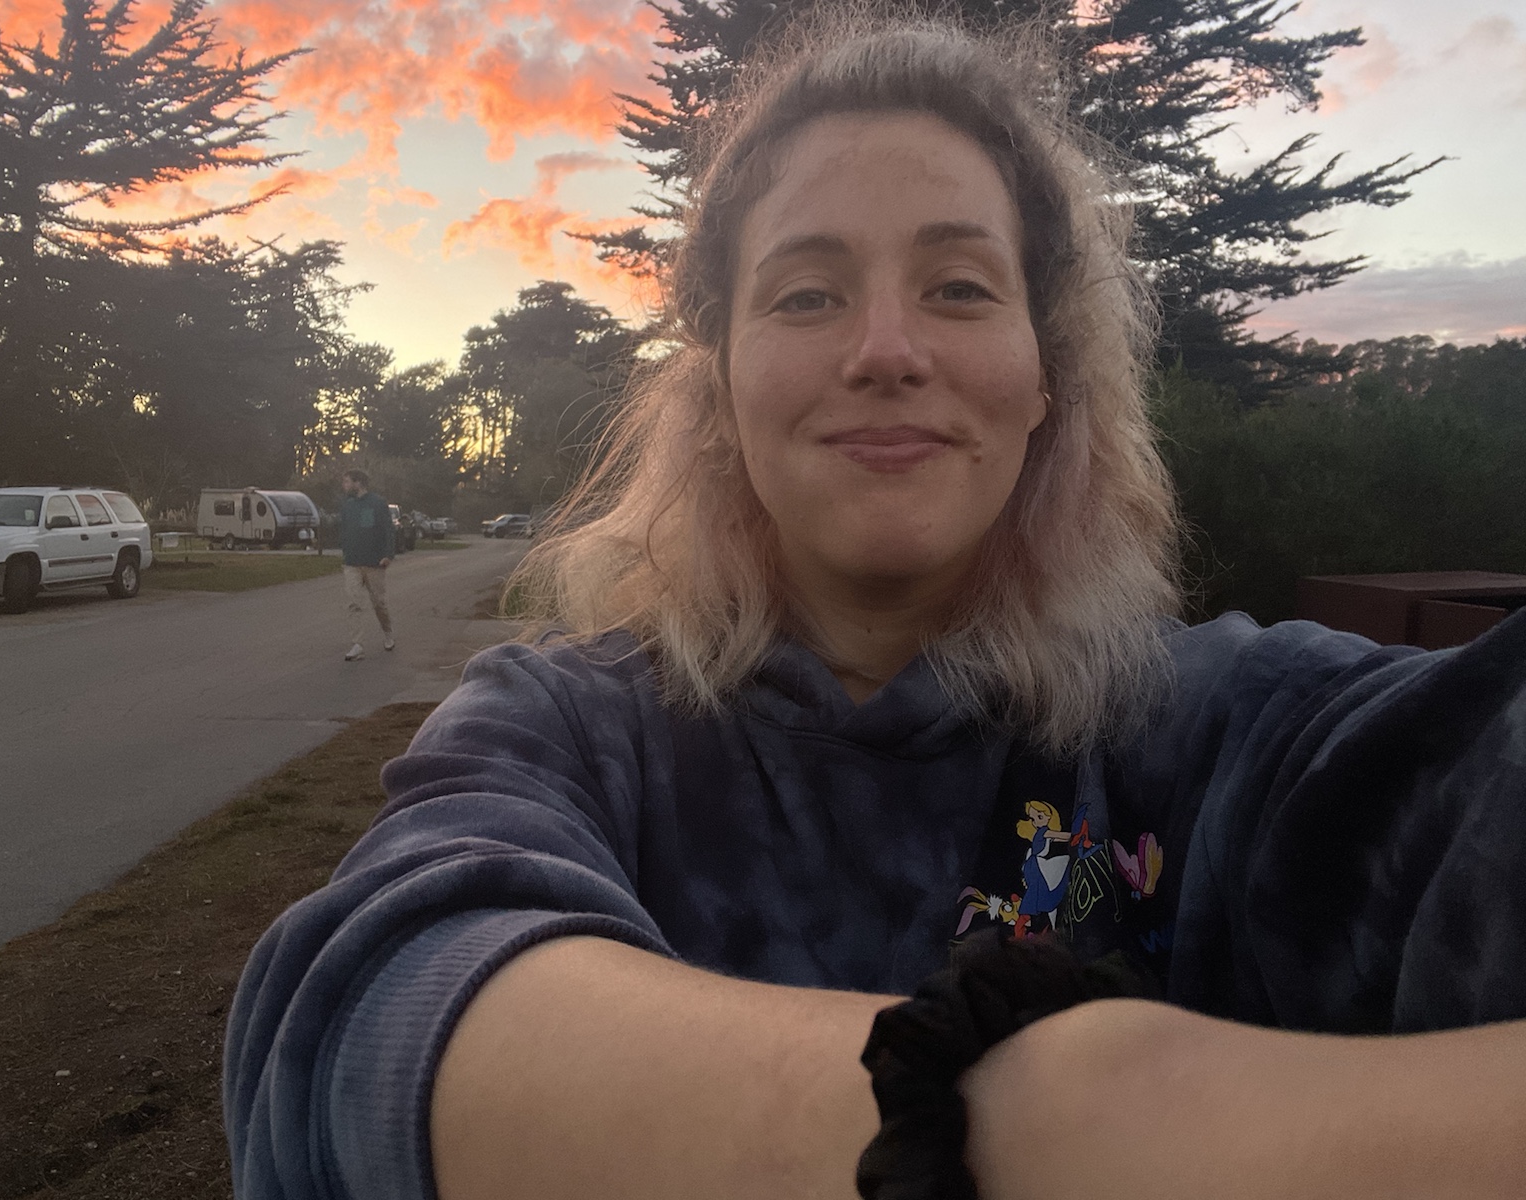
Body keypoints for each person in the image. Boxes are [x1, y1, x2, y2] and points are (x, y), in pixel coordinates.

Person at [225, 14, 1526, 1200]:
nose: (886, 350)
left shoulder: (1225, 728)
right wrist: (1051, 1109)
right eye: (807, 293)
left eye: (959, 285)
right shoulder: (565, 727)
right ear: (722, 389)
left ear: (1047, 377)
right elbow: (345, 1032)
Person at [338, 468, 396, 660]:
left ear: (358, 483)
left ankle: (388, 633)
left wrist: (388, 554)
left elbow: (388, 530)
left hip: (374, 563)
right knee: (353, 603)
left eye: (347, 482)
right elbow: (344, 529)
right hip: (352, 563)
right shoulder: (348, 506)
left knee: (379, 603)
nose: (344, 486)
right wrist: (345, 550)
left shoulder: (377, 503)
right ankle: (357, 645)